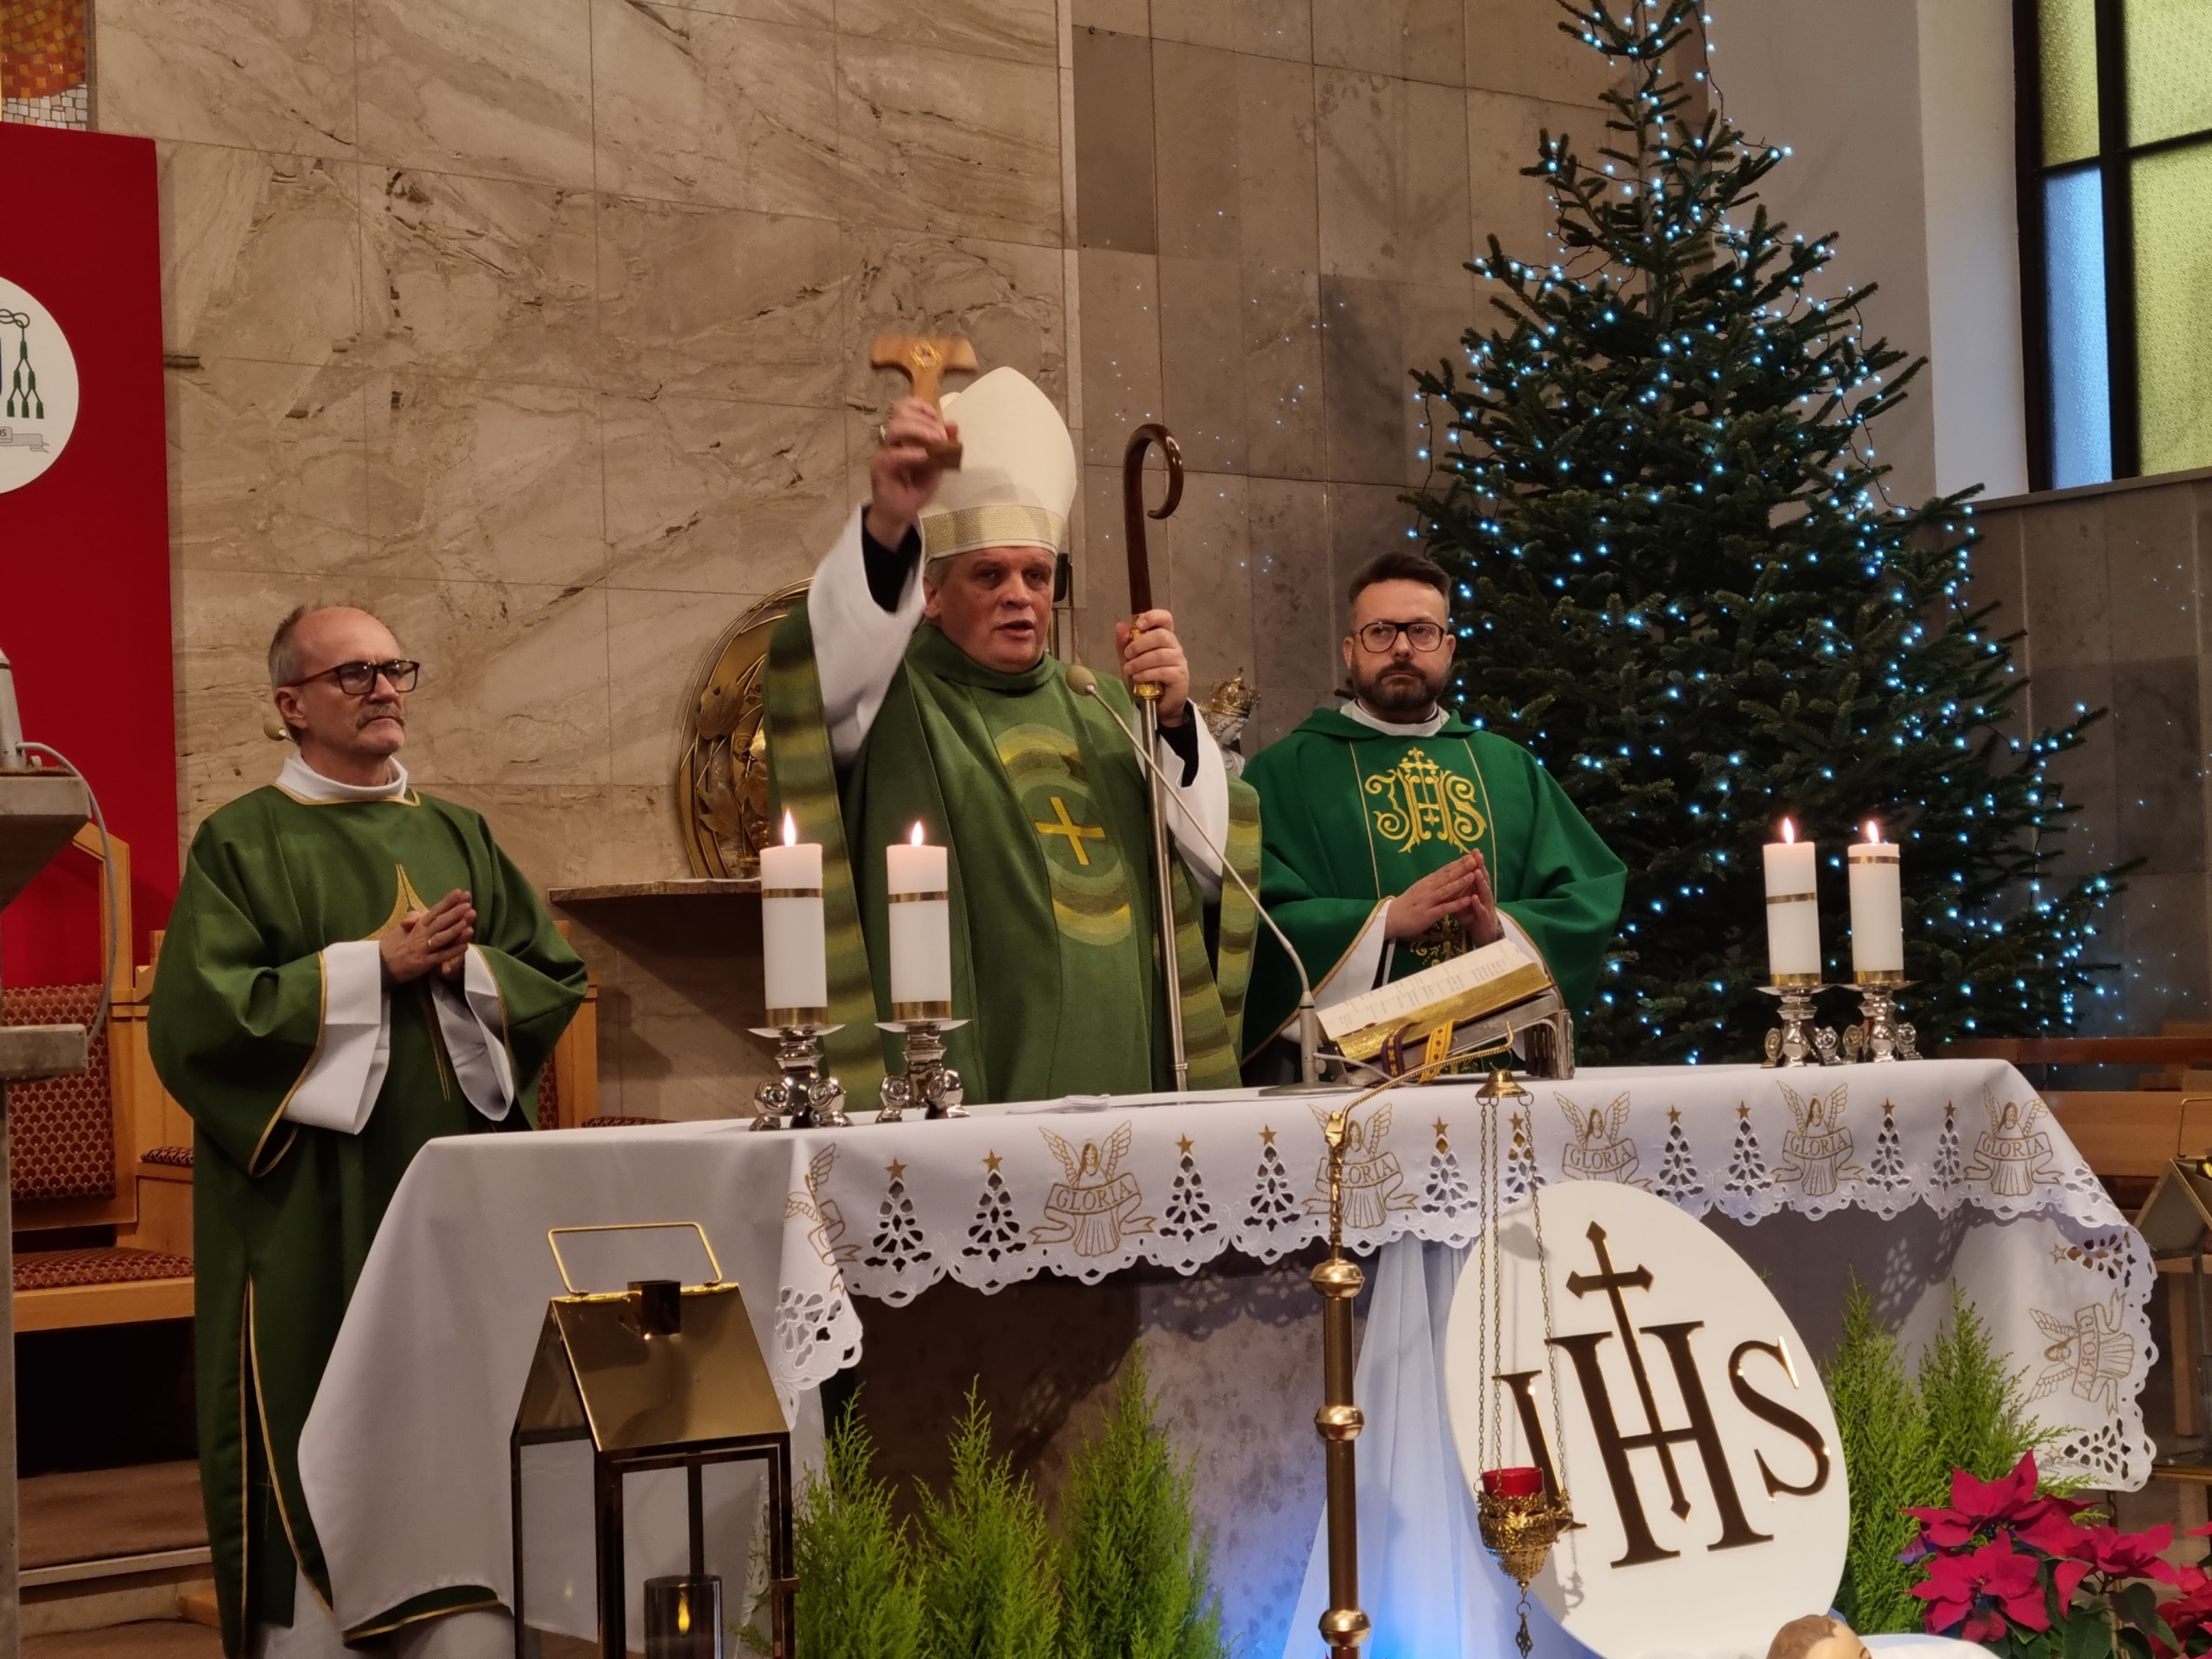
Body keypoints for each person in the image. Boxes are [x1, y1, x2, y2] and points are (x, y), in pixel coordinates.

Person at [149, 606, 587, 1659]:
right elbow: (201, 1021)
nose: (384, 688)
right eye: (353, 674)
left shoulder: (459, 833)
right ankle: (317, 1625)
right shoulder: (241, 841)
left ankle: (460, 1597)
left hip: (453, 1202)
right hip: (310, 1208)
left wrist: (468, 972)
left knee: (459, 1409)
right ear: (290, 705)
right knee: (315, 1405)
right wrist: (368, 970)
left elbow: (551, 977)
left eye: (395, 668)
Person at [766, 365, 1261, 1103]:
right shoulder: (889, 703)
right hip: (970, 1073)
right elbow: (822, 657)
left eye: (1037, 575)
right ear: (930, 594)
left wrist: (1171, 724)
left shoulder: (1101, 703)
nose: (1020, 597)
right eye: (989, 575)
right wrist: (888, 525)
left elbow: (1208, 865)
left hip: (1133, 1074)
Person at [1240, 549, 1624, 1062]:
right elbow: (1250, 919)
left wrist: (1498, 930)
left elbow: (1587, 898)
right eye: (1380, 631)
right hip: (1349, 1076)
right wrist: (1383, 921)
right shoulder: (1284, 772)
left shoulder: (1509, 768)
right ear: (1350, 651)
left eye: (1421, 631)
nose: (1402, 648)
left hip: (1497, 1072)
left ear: (1448, 648)